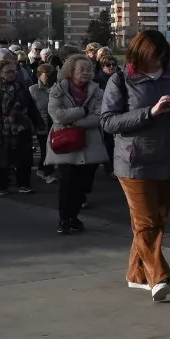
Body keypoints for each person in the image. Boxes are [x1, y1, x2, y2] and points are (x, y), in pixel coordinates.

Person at [101, 30, 170, 301]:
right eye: (152, 58)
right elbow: (108, 121)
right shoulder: (120, 80)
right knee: (146, 221)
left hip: (169, 157)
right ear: (138, 56)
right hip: (134, 162)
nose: (157, 63)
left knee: (157, 220)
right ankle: (158, 277)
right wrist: (149, 113)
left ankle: (136, 274)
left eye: (161, 58)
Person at [45, 54, 107, 234]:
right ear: (71, 71)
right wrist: (82, 111)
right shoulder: (58, 89)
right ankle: (65, 219)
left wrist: (72, 121)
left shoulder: (98, 91)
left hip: (90, 143)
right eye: (81, 69)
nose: (86, 73)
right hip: (66, 143)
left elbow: (99, 116)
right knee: (67, 182)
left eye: (88, 69)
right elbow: (56, 115)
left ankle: (74, 215)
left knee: (83, 184)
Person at [0, 51, 45, 194]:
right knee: (1, 159)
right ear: (0, 73)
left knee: (24, 157)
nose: (12, 74)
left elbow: (30, 106)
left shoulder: (21, 88)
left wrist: (38, 123)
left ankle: (24, 184)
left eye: (14, 71)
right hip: (0, 127)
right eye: (8, 72)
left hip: (20, 125)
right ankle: (2, 186)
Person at [29, 63, 57, 185]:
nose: (48, 78)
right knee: (46, 150)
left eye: (50, 75)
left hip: (55, 124)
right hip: (42, 125)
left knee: (52, 150)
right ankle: (48, 173)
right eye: (46, 75)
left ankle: (42, 169)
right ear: (39, 76)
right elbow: (31, 109)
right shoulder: (33, 90)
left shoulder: (57, 87)